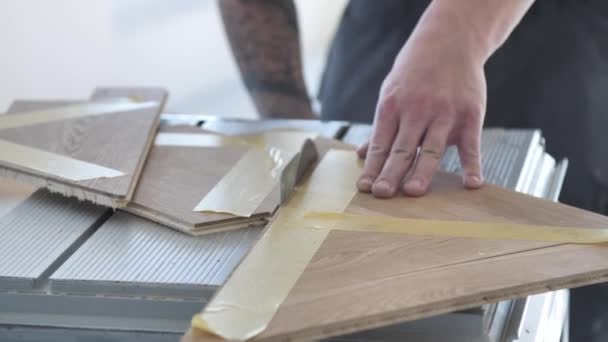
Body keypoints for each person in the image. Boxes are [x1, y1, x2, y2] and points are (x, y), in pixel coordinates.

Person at [219, 0, 608, 340]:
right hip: (380, 53)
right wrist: (294, 125)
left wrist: (458, 35)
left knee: (560, 285)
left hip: (560, 52)